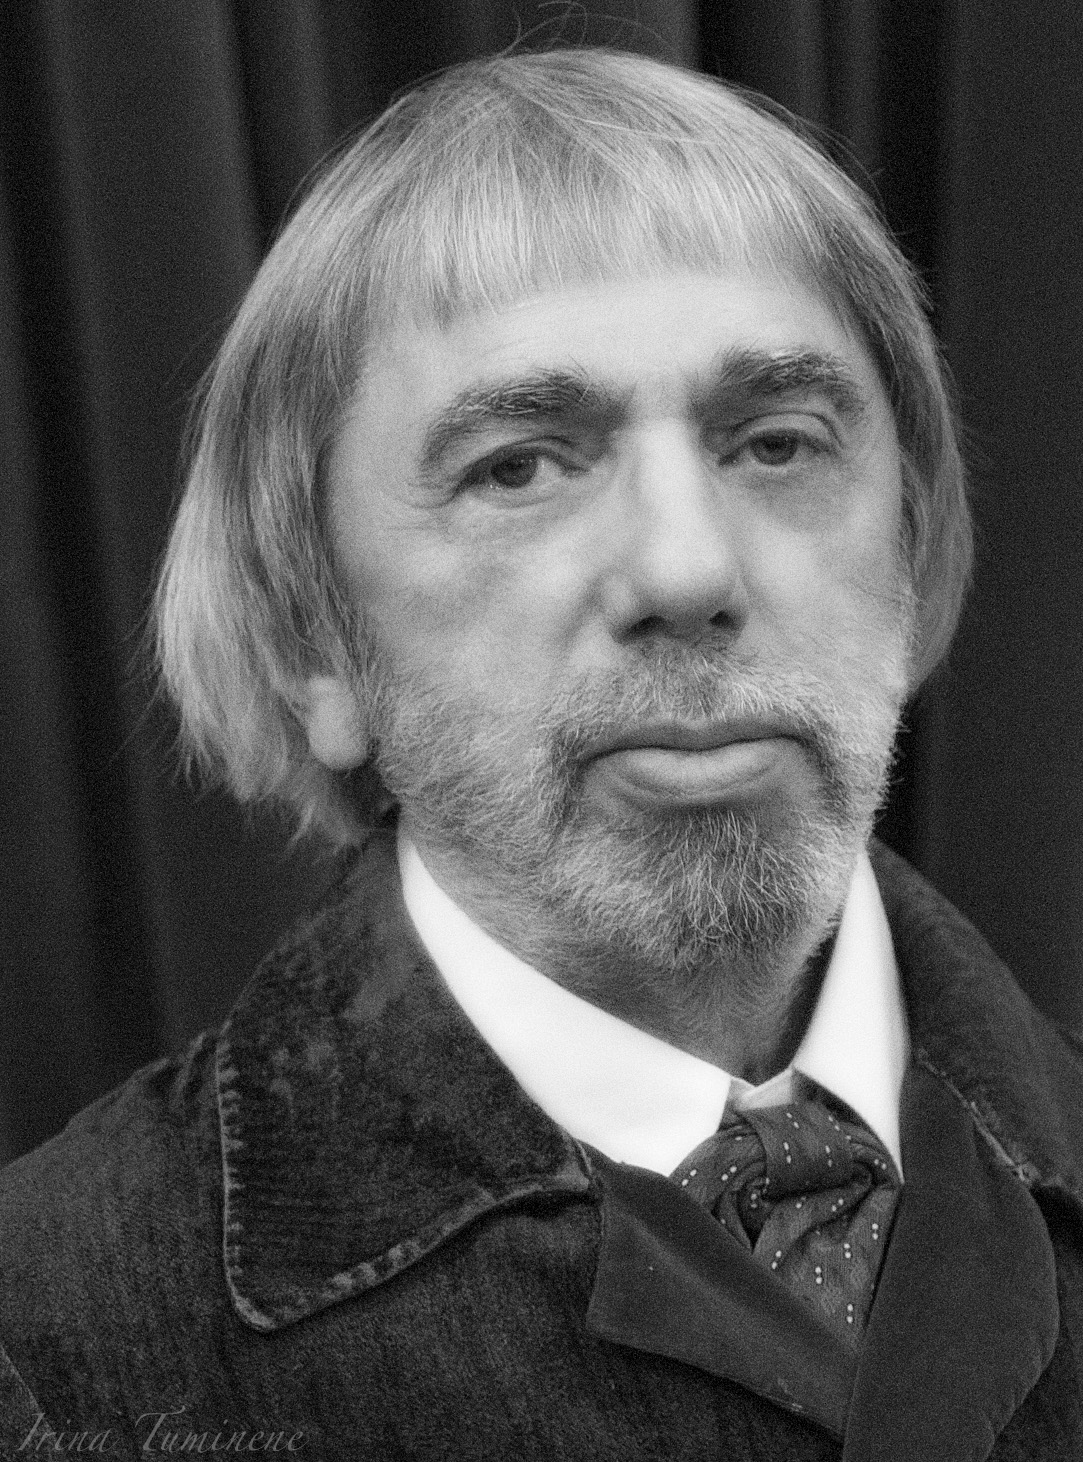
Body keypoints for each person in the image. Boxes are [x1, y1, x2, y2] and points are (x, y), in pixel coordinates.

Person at [1, 46, 1080, 1462]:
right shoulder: (54, 1343)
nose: (687, 570)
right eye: (519, 465)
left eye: (776, 443)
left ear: (915, 552)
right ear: (312, 641)